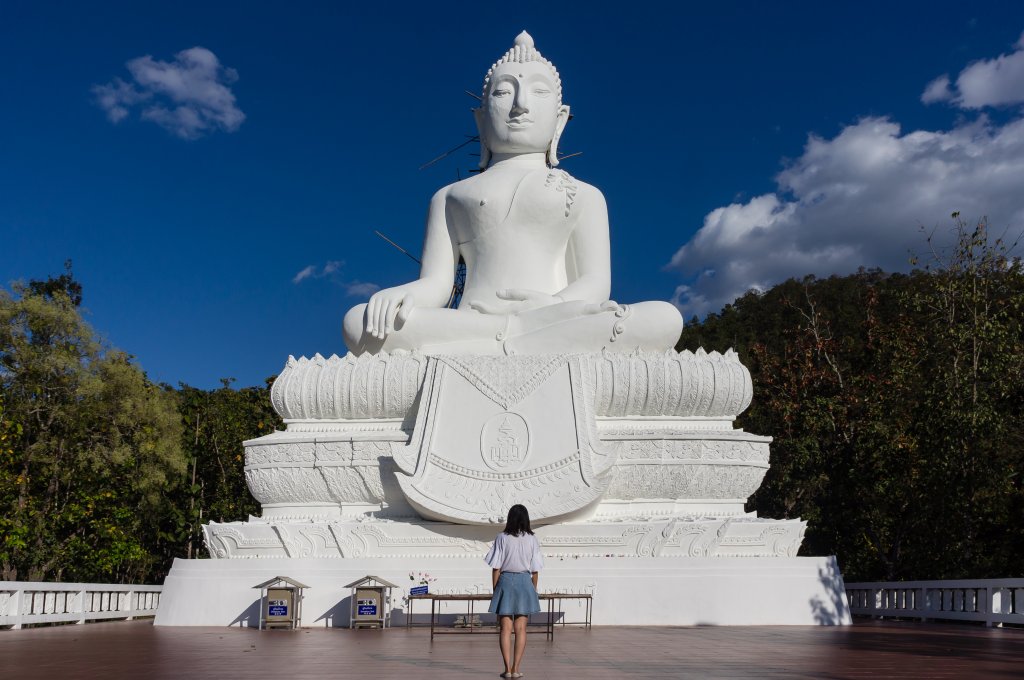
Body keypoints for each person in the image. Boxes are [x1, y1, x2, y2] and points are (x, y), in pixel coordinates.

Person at [342, 31, 682, 356]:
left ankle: (493, 343)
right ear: (481, 120)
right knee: (359, 322)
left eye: (538, 92)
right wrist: (401, 295)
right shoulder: (450, 196)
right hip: (473, 320)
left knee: (664, 318)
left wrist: (551, 306)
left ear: (560, 119)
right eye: (503, 92)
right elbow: (437, 284)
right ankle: (512, 338)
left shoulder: (584, 194)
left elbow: (595, 283)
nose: (520, 104)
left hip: (553, 317)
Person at [484, 504, 544, 678]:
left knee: (505, 629)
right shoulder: (532, 539)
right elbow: (535, 569)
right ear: (526, 519)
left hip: (505, 581)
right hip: (525, 581)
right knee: (521, 629)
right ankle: (516, 668)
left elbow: (496, 567)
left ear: (510, 518)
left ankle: (507, 669)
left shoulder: (502, 537)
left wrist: (496, 590)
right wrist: (533, 589)